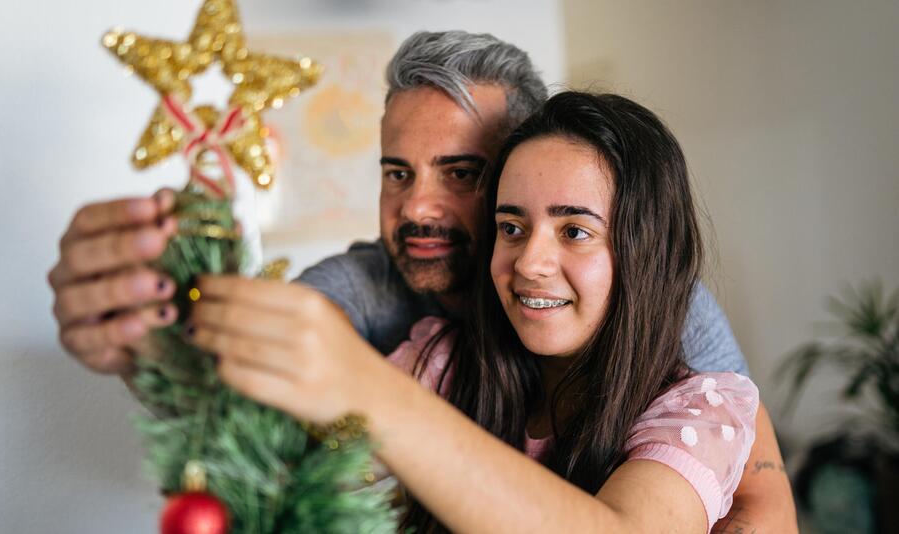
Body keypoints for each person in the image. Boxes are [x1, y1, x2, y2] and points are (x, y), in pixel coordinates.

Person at [47, 31, 795, 530]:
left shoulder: (670, 318)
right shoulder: (396, 314)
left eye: (462, 174)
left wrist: (371, 394)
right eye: (397, 173)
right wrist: (147, 330)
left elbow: (744, 482)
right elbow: (245, 395)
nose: (417, 207)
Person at [189, 91, 758, 532]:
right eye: (511, 227)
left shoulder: (702, 410)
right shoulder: (439, 359)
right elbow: (285, 459)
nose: (529, 262)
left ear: (647, 252)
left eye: (575, 231)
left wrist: (370, 390)